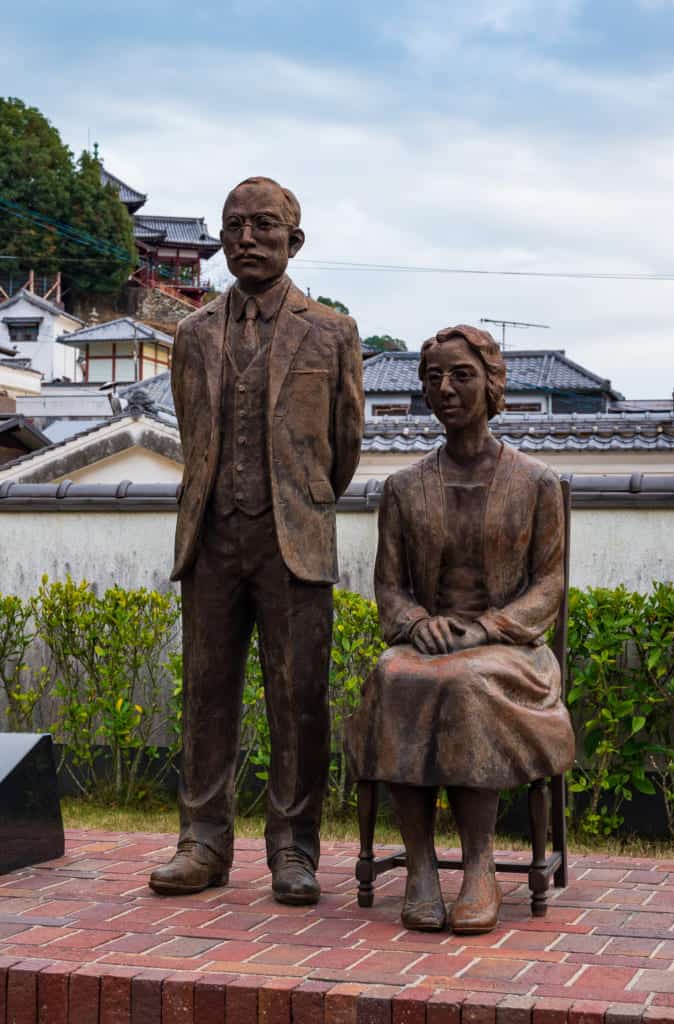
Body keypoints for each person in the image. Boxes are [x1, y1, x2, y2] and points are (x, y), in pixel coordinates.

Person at [150, 177, 364, 903]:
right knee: (207, 694)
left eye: (263, 225)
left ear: (293, 241)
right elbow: (193, 434)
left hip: (293, 536)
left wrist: (296, 496)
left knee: (298, 698)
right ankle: (201, 841)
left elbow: (346, 444)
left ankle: (295, 851)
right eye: (233, 225)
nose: (245, 238)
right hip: (211, 535)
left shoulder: (332, 332)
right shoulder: (192, 333)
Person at [345, 325, 575, 934]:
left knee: (467, 684)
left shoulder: (536, 483)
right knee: (392, 674)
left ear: (492, 385)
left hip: (510, 654)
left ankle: (478, 868)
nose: (445, 388)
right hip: (427, 647)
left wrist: (485, 629)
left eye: (461, 375)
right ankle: (420, 867)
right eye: (434, 378)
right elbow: (389, 586)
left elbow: (548, 587)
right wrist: (416, 622)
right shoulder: (403, 487)